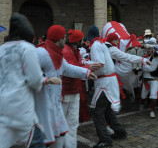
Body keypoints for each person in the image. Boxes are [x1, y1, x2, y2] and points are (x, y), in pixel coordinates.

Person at [0, 13, 60, 148]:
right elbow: (34, 80)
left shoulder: (1, 49)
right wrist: (43, 81)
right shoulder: (27, 48)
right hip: (21, 108)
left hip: (2, 109)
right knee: (36, 142)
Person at [35, 25, 97, 146]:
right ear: (59, 39)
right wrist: (46, 80)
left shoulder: (57, 53)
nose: (66, 40)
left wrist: (87, 72)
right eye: (64, 38)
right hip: (44, 103)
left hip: (55, 102)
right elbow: (28, 74)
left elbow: (67, 68)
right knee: (44, 138)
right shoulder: (41, 52)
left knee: (60, 134)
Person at [87, 25, 127, 148]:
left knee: (96, 110)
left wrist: (86, 65)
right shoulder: (101, 44)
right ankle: (119, 131)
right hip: (109, 80)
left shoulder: (95, 45)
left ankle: (105, 139)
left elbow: (99, 64)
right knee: (108, 108)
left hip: (104, 82)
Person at [62, 30, 103, 148]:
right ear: (78, 41)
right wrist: (87, 69)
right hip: (66, 92)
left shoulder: (74, 51)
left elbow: (76, 66)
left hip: (74, 90)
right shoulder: (67, 52)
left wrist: (88, 66)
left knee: (73, 123)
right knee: (63, 122)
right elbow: (70, 70)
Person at [105, 33, 150, 103]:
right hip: (107, 75)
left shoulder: (102, 45)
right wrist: (142, 59)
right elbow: (127, 57)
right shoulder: (112, 49)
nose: (117, 43)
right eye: (117, 41)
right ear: (114, 40)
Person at [140, 38, 158, 118]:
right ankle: (142, 105)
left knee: (153, 95)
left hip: (154, 79)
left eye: (150, 48)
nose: (149, 50)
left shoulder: (156, 56)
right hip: (145, 79)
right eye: (147, 48)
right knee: (143, 95)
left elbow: (152, 68)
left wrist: (142, 67)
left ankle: (152, 111)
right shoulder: (143, 56)